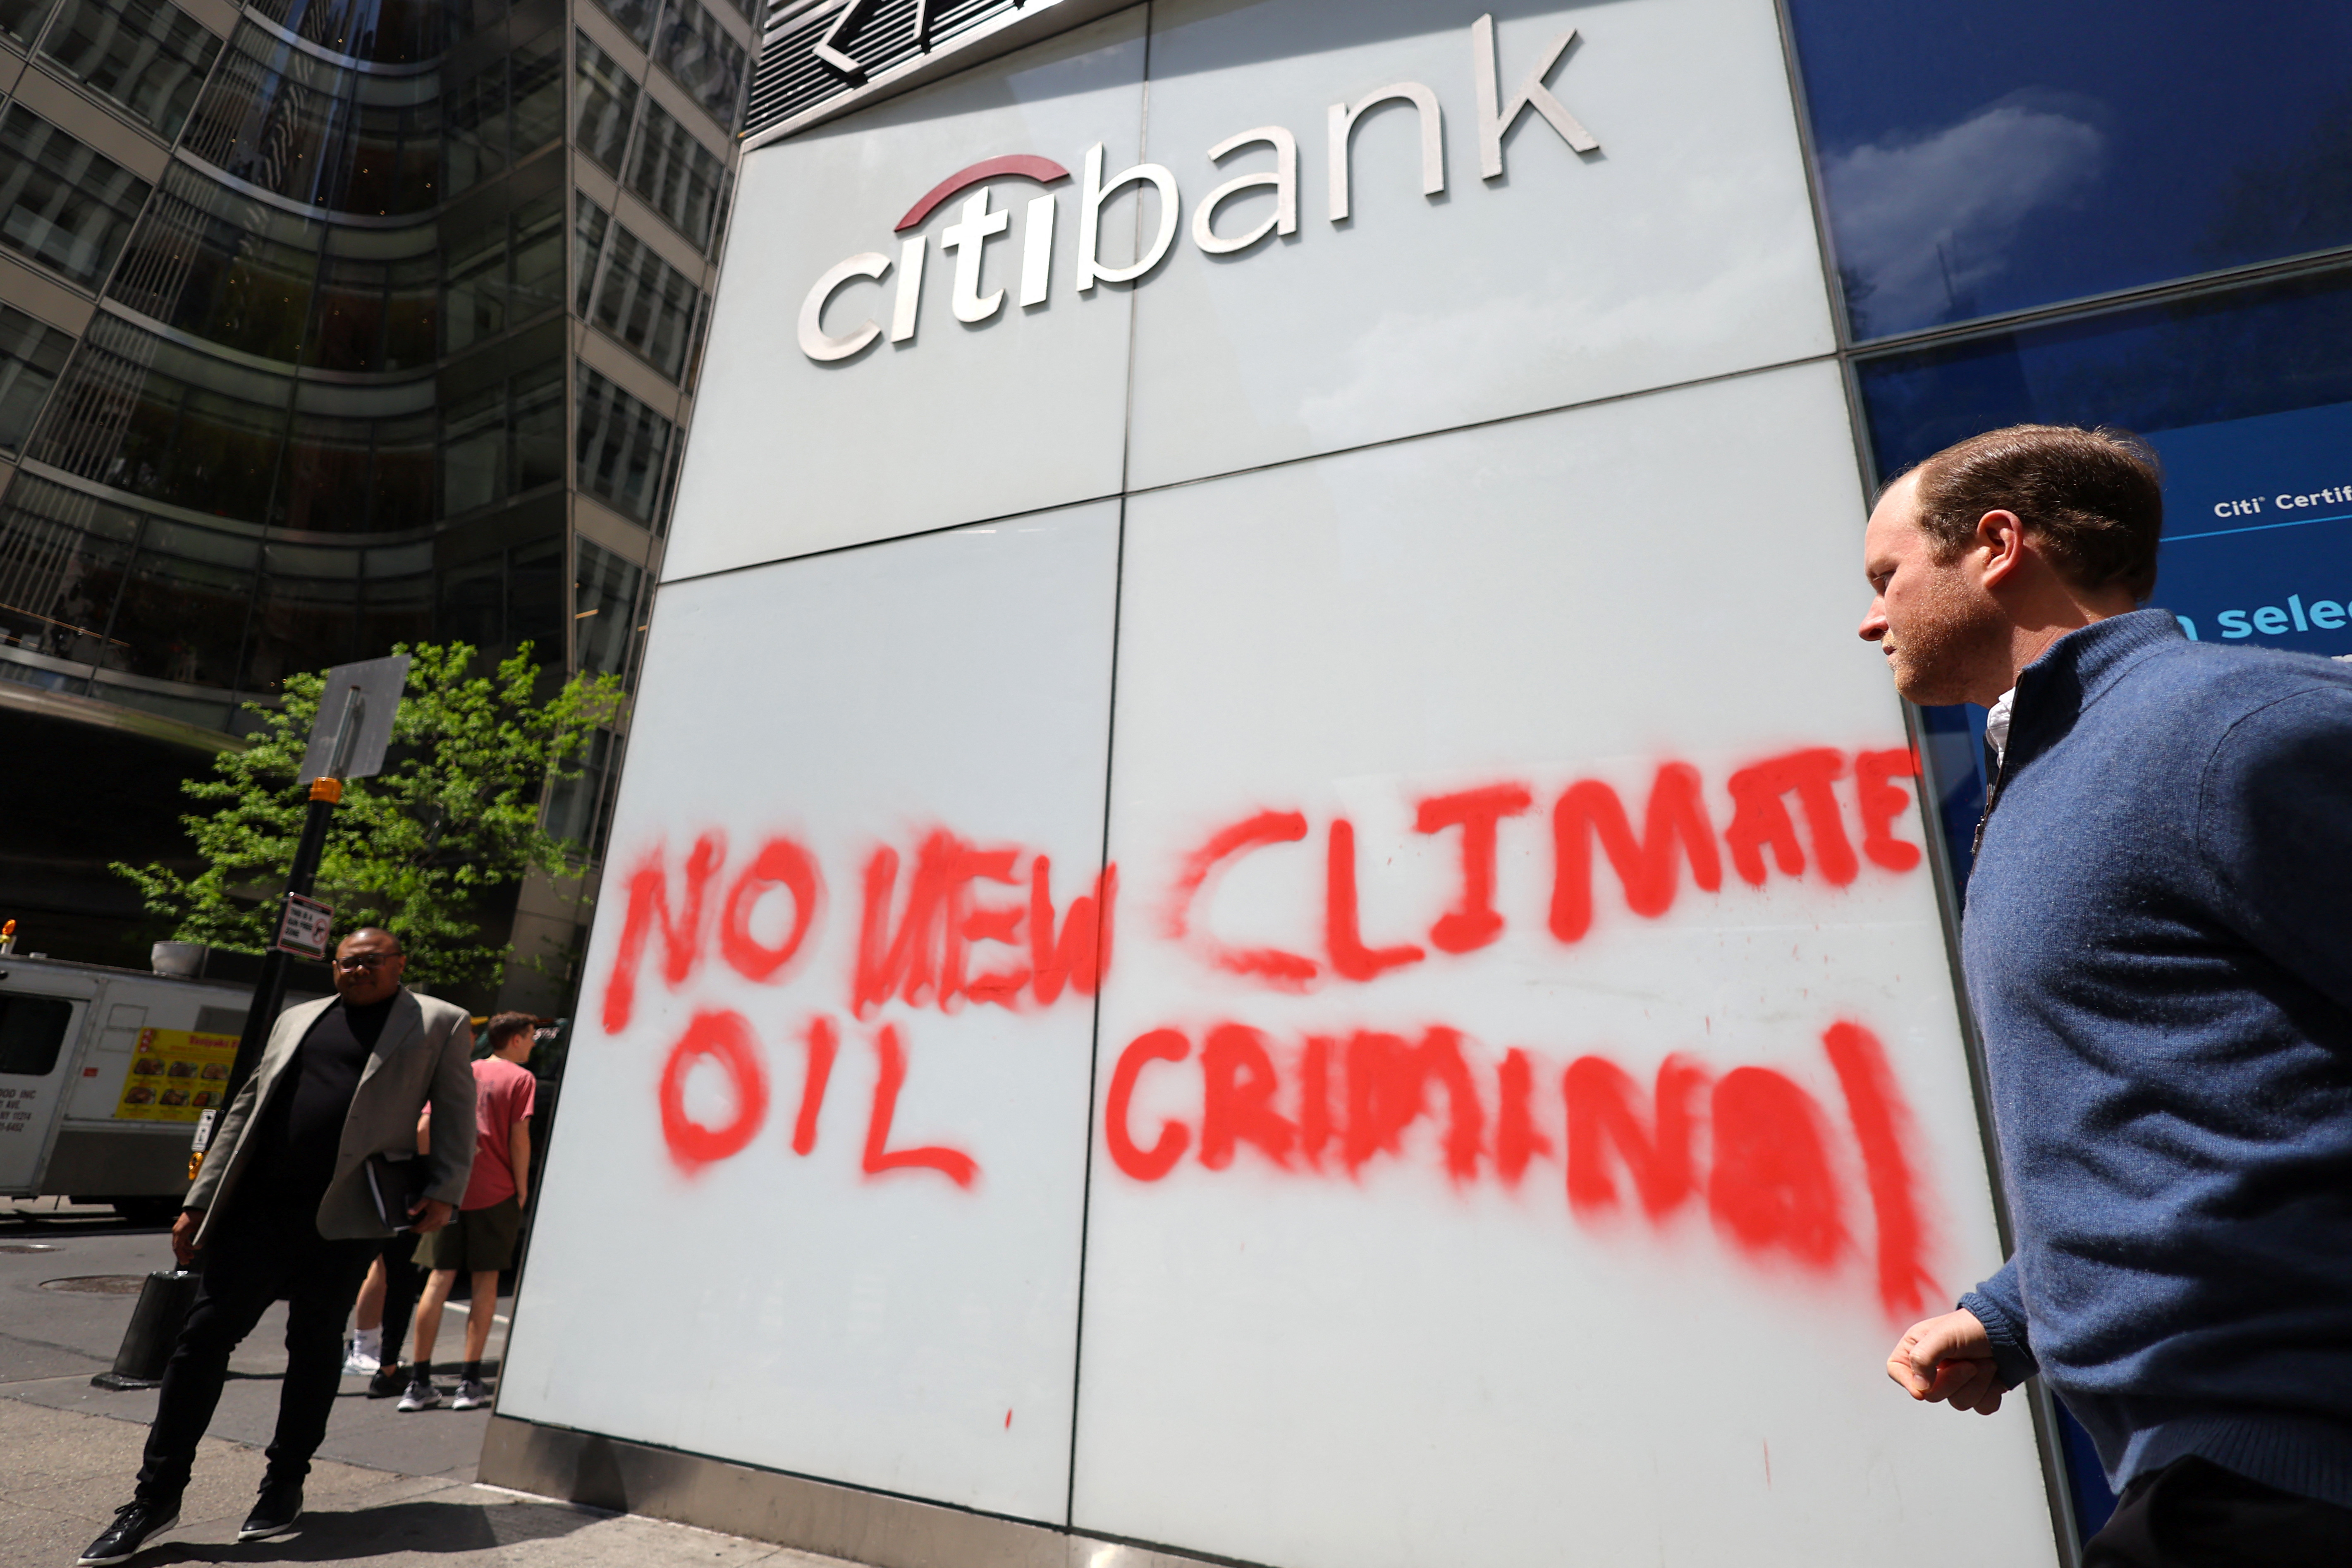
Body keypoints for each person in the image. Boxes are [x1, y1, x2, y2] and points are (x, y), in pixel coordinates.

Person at [1857, 424, 2352, 1565]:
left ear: (1995, 546)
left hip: (2294, 1470)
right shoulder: (2049, 777)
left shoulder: (2237, 731)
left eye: (1888, 578)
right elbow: (2206, 1096)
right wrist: (2020, 1313)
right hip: (2204, 1467)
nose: (1872, 619)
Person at [77, 928, 476, 1566]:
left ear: (400, 965)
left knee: (314, 1346)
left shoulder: (439, 1022)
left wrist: (446, 1189)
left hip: (347, 1216)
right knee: (201, 1340)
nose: (359, 971)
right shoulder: (299, 1018)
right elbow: (247, 1105)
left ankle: (283, 1483)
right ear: (334, 966)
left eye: (373, 962)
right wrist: (200, 1199)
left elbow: (457, 1110)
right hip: (258, 1210)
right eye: (348, 962)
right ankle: (154, 1498)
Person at [399, 1011, 538, 1413]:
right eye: (530, 1037)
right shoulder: (521, 1079)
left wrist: (433, 1173)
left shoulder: (459, 1071)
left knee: (437, 1281)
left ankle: (419, 1382)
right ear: (513, 1040)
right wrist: (522, 1187)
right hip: (496, 1193)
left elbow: (424, 1128)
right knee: (485, 1282)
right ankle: (470, 1382)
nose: (532, 1044)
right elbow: (519, 1140)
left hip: (448, 1190)